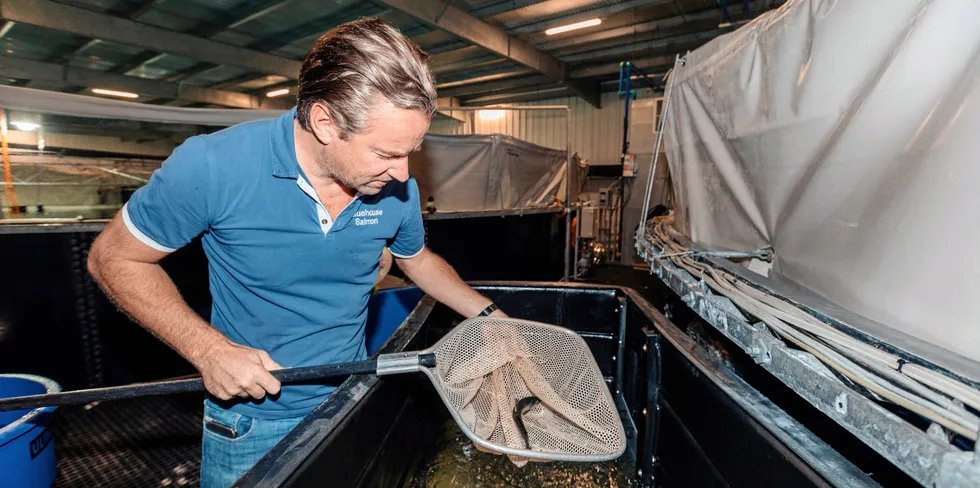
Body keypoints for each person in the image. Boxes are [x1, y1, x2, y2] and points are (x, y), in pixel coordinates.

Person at [86, 18, 505, 488]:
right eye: (387, 153)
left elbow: (416, 259)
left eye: (412, 151)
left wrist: (491, 316)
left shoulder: (396, 188)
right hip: (252, 426)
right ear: (325, 122)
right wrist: (208, 349)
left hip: (350, 402)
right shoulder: (213, 166)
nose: (404, 175)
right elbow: (113, 258)